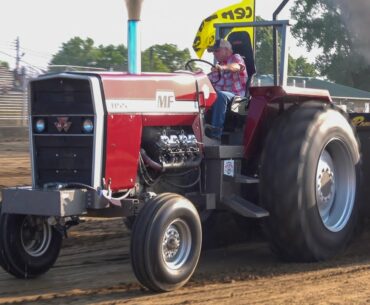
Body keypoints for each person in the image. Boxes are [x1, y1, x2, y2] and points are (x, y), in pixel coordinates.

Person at [206, 38, 247, 140]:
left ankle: (216, 133)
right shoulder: (217, 67)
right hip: (221, 98)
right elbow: (207, 80)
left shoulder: (235, 58)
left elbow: (237, 67)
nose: (214, 54)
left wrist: (223, 68)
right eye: (213, 52)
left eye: (217, 51)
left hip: (238, 99)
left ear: (227, 50)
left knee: (220, 95)